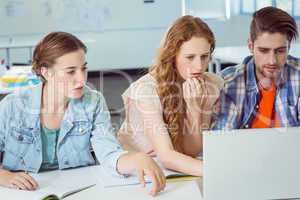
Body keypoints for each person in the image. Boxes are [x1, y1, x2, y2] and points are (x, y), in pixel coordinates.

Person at [0, 32, 165, 196]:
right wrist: (4, 176)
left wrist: (137, 159)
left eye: (84, 68)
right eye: (71, 71)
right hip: (22, 194)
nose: (81, 79)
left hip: (78, 192)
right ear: (46, 72)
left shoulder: (94, 102)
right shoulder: (12, 106)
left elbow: (108, 154)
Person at [118, 15, 223, 176]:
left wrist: (194, 108)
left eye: (204, 56)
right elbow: (167, 156)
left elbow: (192, 150)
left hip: (180, 168)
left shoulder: (211, 84)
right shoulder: (146, 90)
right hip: (139, 173)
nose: (199, 66)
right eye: (190, 57)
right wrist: (220, 171)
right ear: (172, 56)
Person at [213, 6, 299, 130]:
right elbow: (223, 141)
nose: (272, 61)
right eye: (264, 50)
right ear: (250, 46)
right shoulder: (228, 84)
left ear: (289, 46)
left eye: (280, 51)